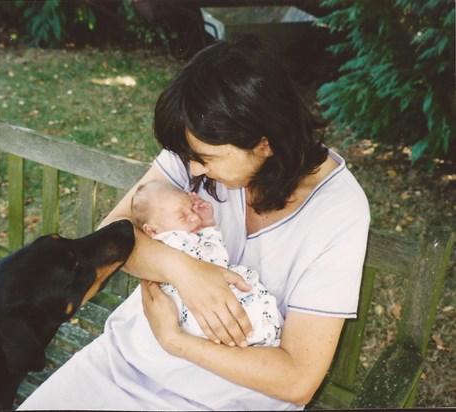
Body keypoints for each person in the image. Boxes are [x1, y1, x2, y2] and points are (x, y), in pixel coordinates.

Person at [19, 35, 370, 410]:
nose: (192, 171)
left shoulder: (338, 211)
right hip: (121, 367)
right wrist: (186, 271)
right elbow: (108, 242)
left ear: (266, 144)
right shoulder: (199, 144)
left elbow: (299, 379)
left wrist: (176, 341)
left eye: (206, 159)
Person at [130, 179, 283, 347]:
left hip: (195, 304)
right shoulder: (172, 241)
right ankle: (260, 334)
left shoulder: (172, 239)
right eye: (182, 216)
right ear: (151, 230)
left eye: (191, 209)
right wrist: (209, 228)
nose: (195, 219)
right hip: (189, 308)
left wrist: (208, 224)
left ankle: (260, 332)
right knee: (242, 305)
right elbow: (216, 260)